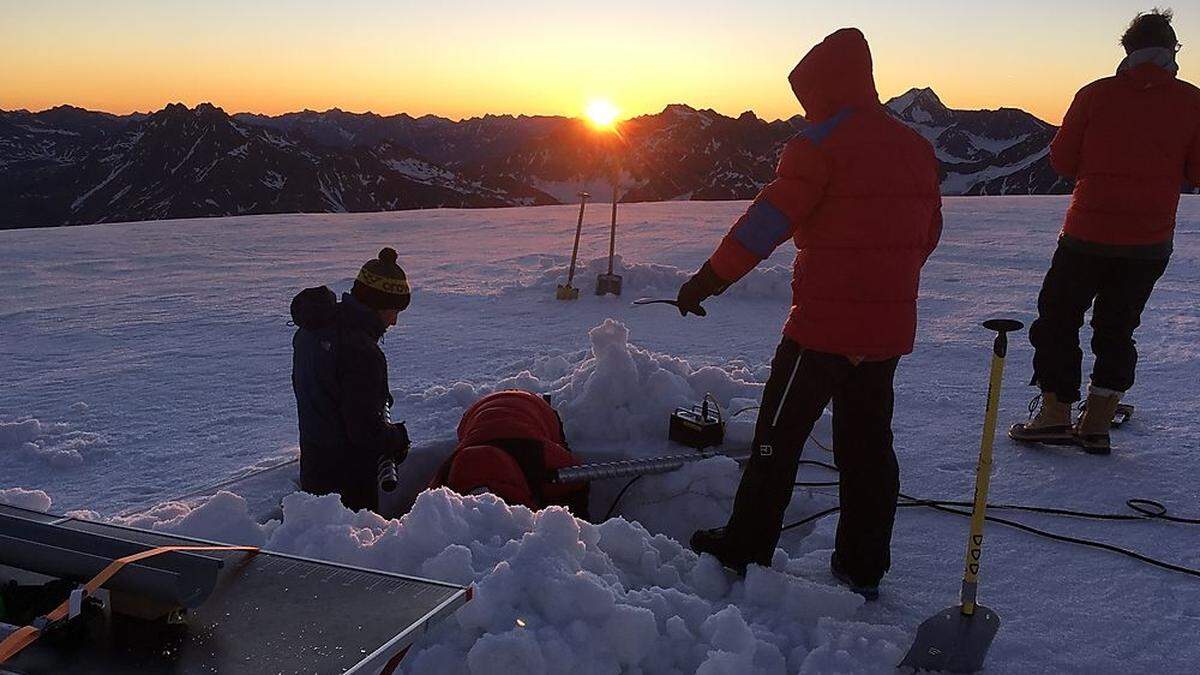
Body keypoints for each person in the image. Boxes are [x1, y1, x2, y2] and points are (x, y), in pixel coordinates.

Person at [678, 28, 942, 598]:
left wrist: (707, 282)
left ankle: (746, 545)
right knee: (868, 447)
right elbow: (928, 236)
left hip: (820, 329)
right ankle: (863, 563)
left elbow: (764, 226)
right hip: (886, 333)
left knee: (777, 437)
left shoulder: (817, 147)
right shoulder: (915, 148)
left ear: (821, 87)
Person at [1010, 10, 1200, 454]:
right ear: (1172, 51)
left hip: (1086, 232)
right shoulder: (1193, 102)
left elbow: (1061, 161)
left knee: (1058, 317)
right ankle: (1096, 418)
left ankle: (1055, 411)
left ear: (1127, 50)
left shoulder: (1096, 95)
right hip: (1149, 242)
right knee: (1117, 326)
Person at [291, 247, 412, 512]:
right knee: (351, 546)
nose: (394, 322)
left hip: (314, 463)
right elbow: (364, 432)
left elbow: (325, 391)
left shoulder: (312, 331)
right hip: (349, 479)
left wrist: (373, 395)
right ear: (378, 305)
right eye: (394, 311)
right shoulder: (361, 351)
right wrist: (397, 438)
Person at [429, 390, 590, 519]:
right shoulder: (447, 476)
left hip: (537, 409)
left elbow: (578, 477)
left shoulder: (540, 455)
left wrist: (572, 521)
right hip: (475, 414)